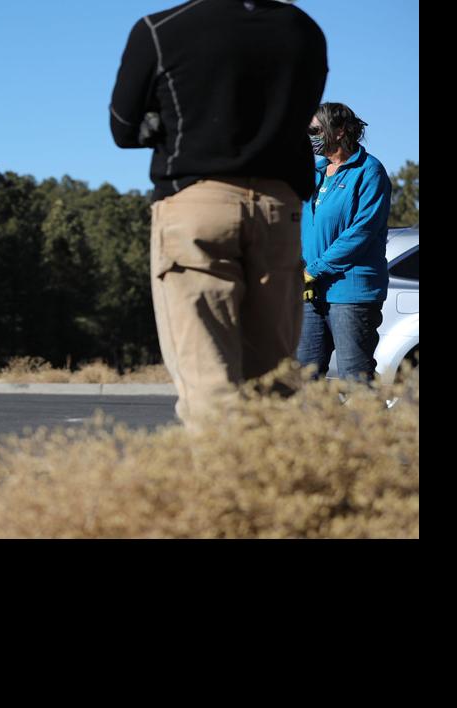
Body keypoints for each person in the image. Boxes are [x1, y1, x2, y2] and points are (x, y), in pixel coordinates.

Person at [110, 0, 327, 429]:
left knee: (209, 380)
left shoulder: (160, 29)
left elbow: (123, 125)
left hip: (196, 204)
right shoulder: (303, 29)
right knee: (274, 382)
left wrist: (167, 122)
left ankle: (225, 490)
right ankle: (275, 488)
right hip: (277, 207)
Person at [296, 102, 390, 383]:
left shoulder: (369, 171)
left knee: (355, 379)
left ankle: (368, 428)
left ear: (339, 131)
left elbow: (360, 232)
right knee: (303, 380)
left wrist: (315, 269)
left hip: (351, 292)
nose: (309, 136)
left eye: (315, 130)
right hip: (311, 291)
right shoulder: (315, 172)